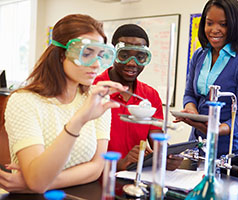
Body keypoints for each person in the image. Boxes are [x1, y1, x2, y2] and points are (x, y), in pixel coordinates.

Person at [0, 14, 127, 193]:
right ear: (61, 55)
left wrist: (36, 183)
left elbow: (97, 167)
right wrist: (79, 121)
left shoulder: (98, 98)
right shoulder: (24, 101)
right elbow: (37, 181)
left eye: (100, 55)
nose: (96, 64)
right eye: (87, 53)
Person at [175, 0, 238, 157]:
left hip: (229, 152)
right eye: (209, 23)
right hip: (197, 144)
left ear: (235, 26)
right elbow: (189, 94)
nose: (215, 30)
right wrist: (191, 110)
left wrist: (218, 129)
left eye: (223, 24)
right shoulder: (199, 55)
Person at [93, 24, 182, 171]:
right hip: (96, 182)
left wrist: (168, 157)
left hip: (135, 182)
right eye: (124, 55)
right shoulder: (94, 89)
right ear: (113, 53)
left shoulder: (150, 95)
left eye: (140, 57)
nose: (132, 63)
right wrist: (119, 164)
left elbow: (157, 142)